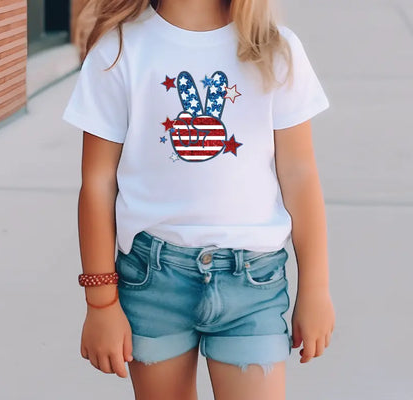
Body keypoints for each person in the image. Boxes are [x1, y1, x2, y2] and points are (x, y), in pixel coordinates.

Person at [62, 0, 335, 398]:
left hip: (252, 284)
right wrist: (100, 303)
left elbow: (300, 175)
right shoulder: (119, 49)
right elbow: (98, 182)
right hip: (152, 280)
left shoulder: (275, 49)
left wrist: (316, 288)